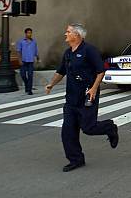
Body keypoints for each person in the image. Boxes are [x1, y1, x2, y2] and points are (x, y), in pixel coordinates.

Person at [45, 24, 119, 172]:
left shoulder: (89, 50)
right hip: (71, 99)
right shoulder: (68, 53)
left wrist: (94, 88)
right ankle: (76, 159)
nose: (65, 34)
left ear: (77, 35)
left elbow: (100, 71)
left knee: (88, 128)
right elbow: (61, 72)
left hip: (87, 95)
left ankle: (110, 127)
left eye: (68, 32)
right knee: (68, 132)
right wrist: (51, 84)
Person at [17, 27, 39, 95]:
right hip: (23, 61)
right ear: (25, 33)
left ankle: (29, 90)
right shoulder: (21, 41)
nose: (29, 34)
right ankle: (27, 85)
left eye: (30, 33)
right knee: (23, 75)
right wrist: (19, 60)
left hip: (30, 62)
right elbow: (18, 51)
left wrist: (38, 58)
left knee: (30, 75)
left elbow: (36, 51)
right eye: (28, 33)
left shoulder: (34, 42)